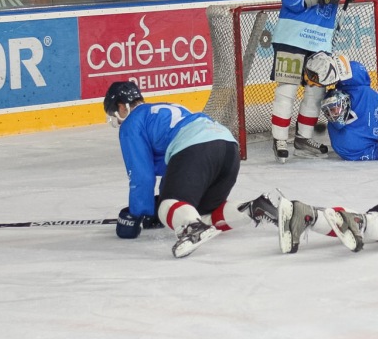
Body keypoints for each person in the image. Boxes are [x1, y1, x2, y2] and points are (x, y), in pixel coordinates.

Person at [103, 81, 277, 258]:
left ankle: (193, 229)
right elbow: (174, 170)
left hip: (197, 147)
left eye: (114, 114)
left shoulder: (132, 122)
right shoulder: (159, 112)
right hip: (228, 147)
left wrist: (136, 215)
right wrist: (154, 207)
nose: (118, 121)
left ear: (122, 106)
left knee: (167, 208)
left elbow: (142, 177)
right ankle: (253, 208)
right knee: (200, 212)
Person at [270, 0, 370, 163]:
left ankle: (303, 139)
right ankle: (279, 140)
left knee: (315, 93)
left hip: (319, 43)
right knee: (287, 89)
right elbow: (291, 1)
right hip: (292, 38)